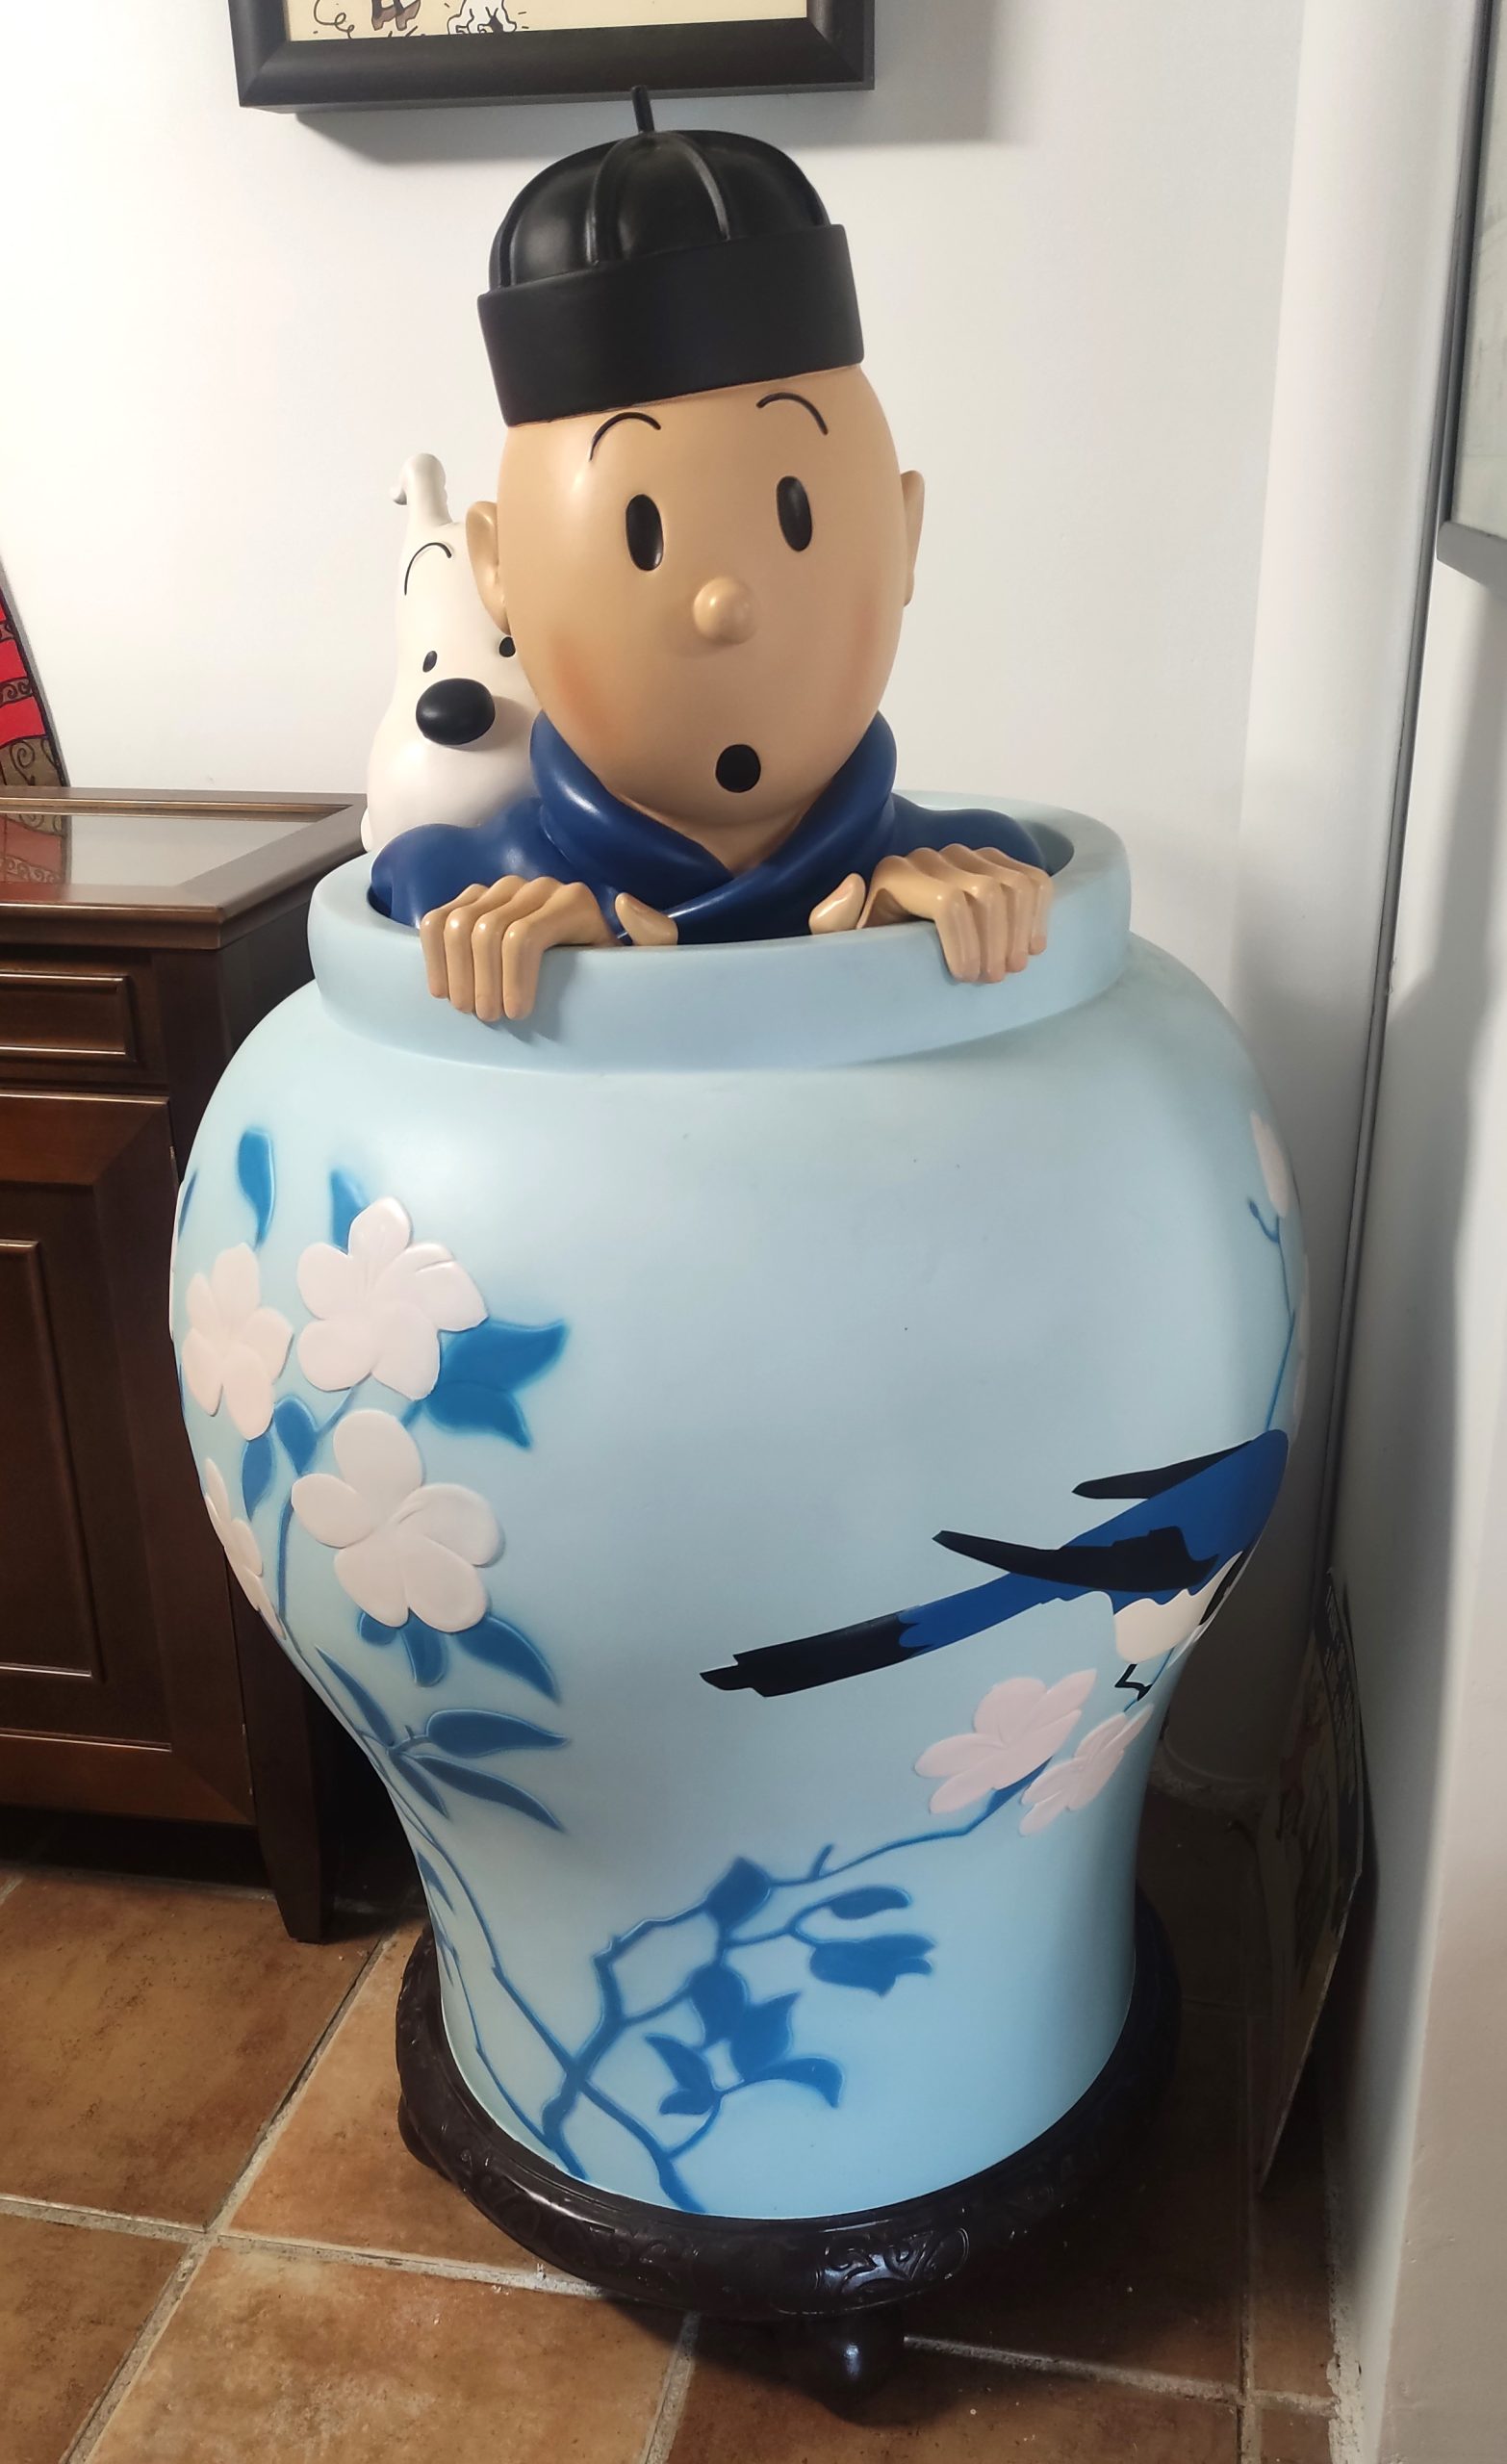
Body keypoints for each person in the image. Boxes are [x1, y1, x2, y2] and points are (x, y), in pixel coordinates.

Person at [370, 91, 1051, 1024]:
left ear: (906, 534)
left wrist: (922, 950)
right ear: (497, 571)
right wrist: (499, 937)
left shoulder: (975, 867)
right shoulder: (460, 884)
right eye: (641, 533)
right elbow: (401, 887)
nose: (726, 604)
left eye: (795, 517)